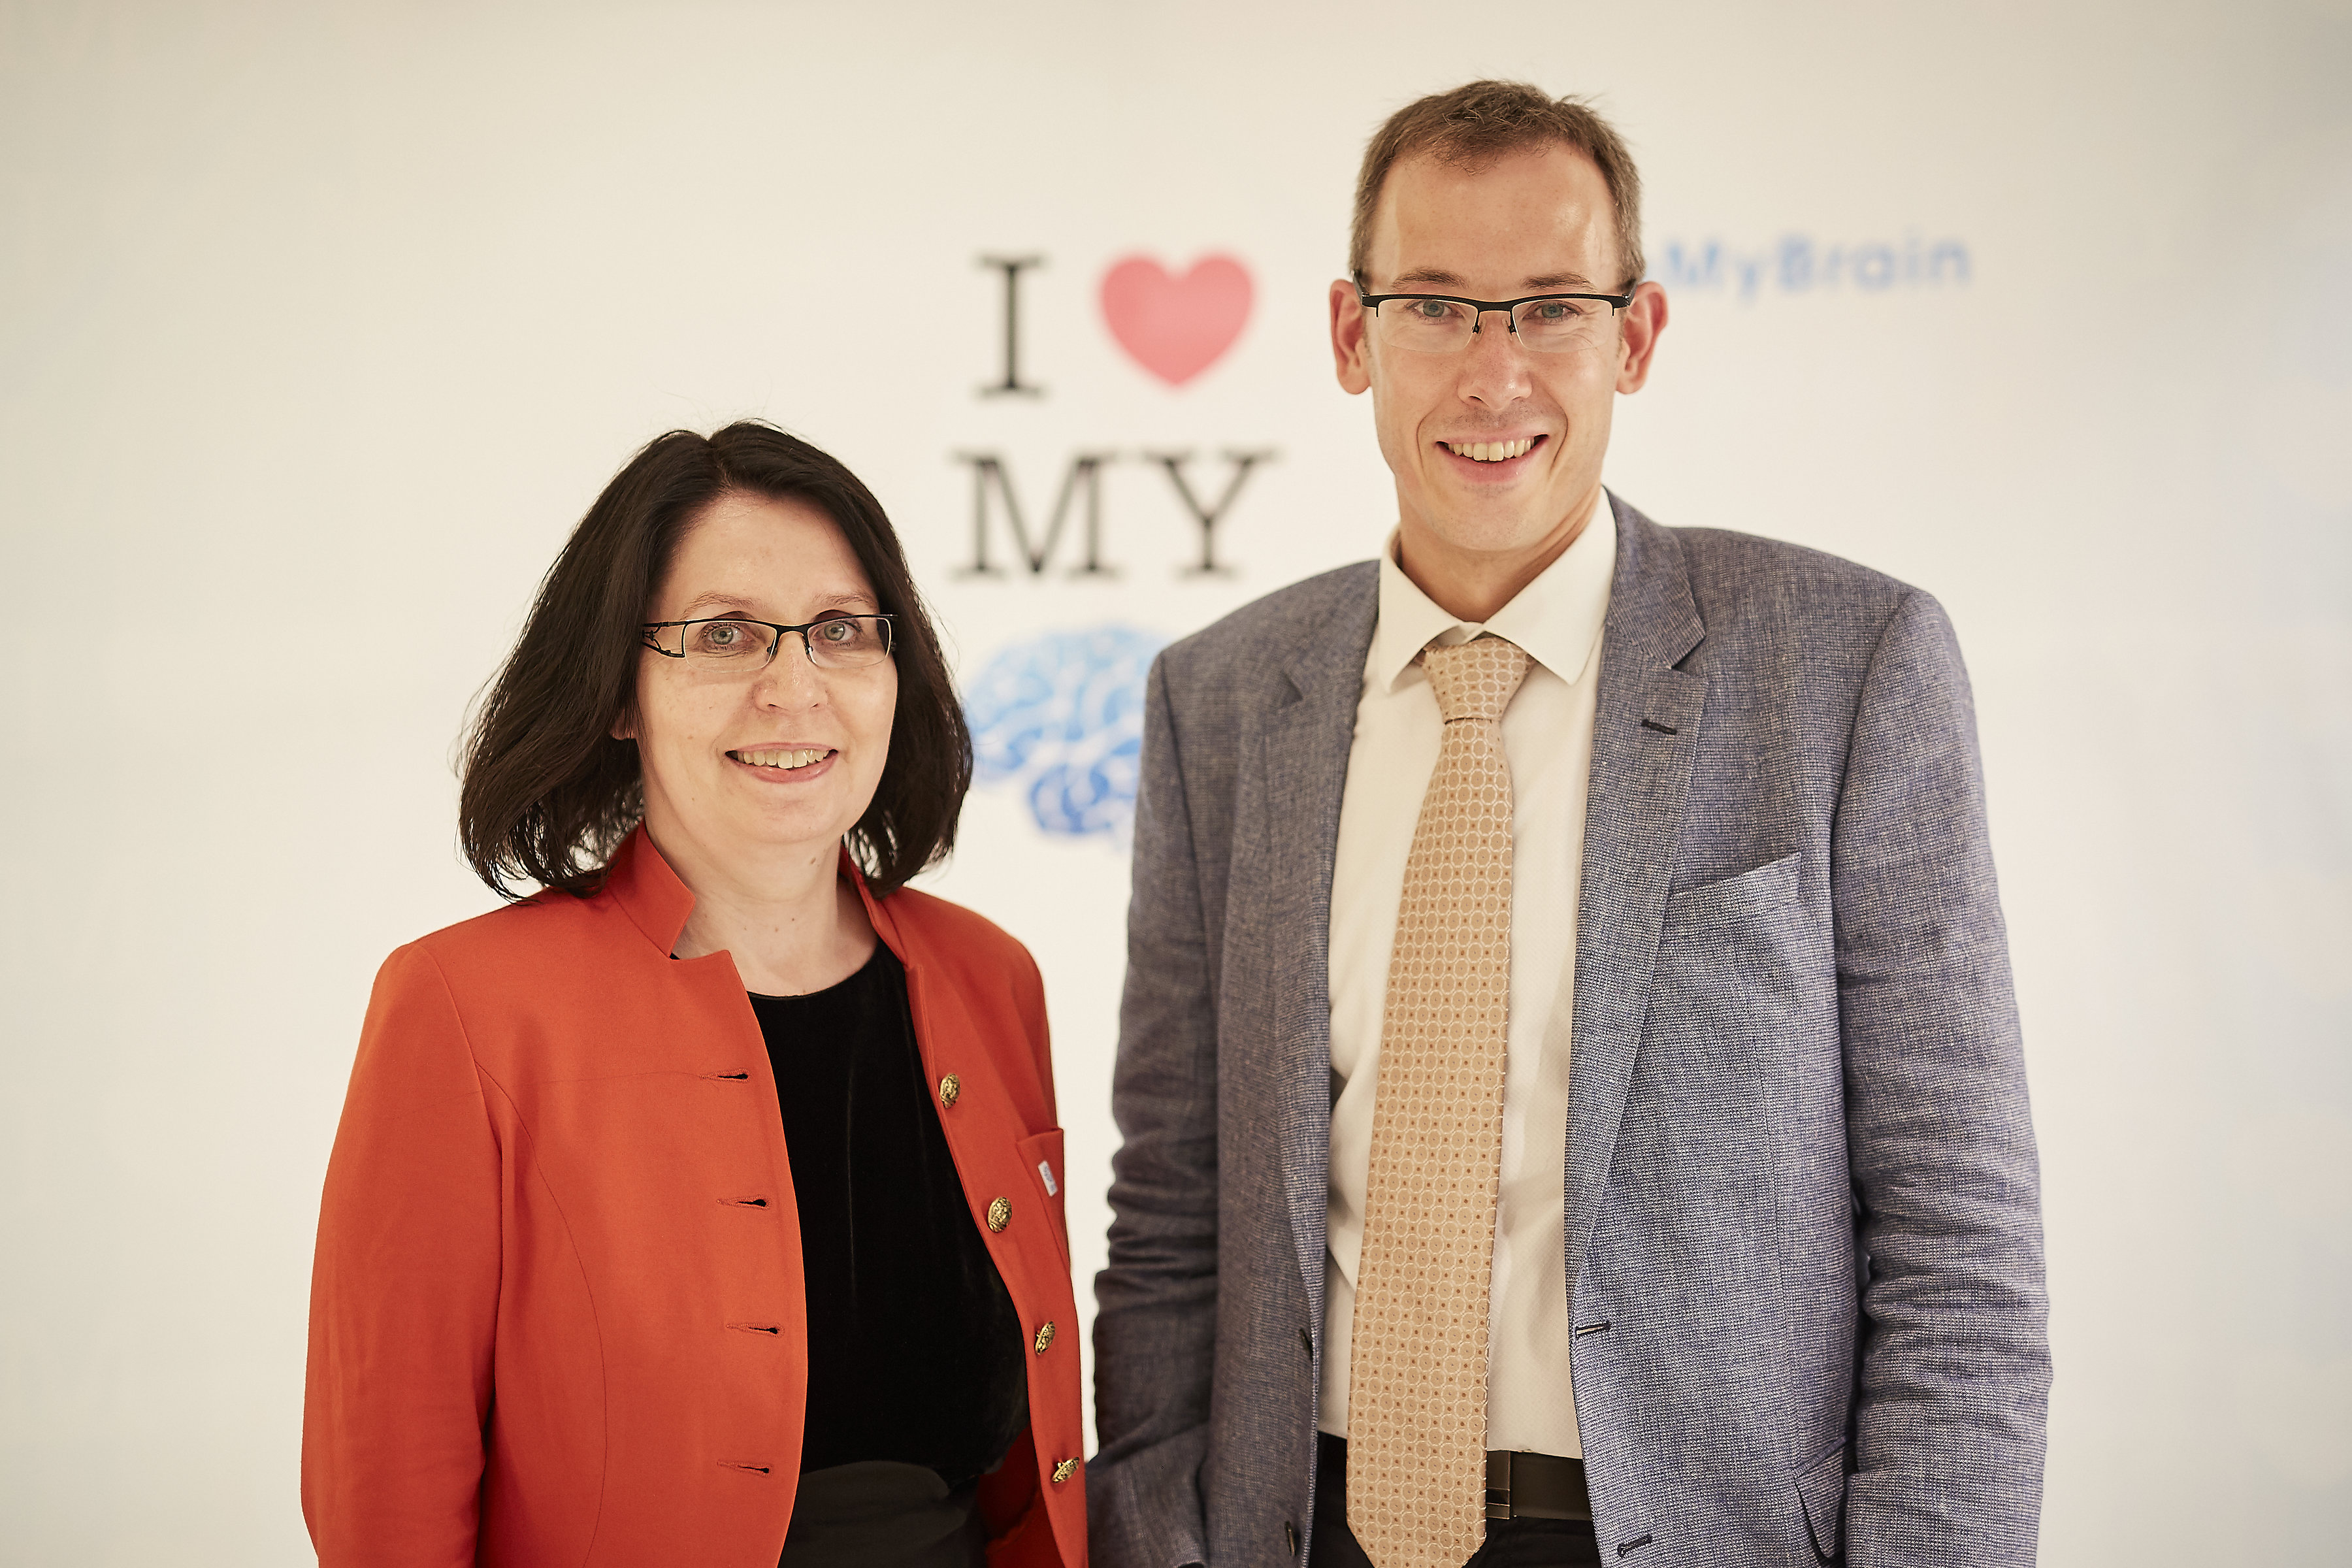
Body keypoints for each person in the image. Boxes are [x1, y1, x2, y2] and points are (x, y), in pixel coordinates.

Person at [1090, 81, 2049, 1568]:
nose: (1495, 376)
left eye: (1551, 309)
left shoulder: (1846, 667)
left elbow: (1957, 1234)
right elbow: (1170, 1204)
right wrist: (1160, 1535)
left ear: (1635, 337)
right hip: (1304, 1527)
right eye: (1435, 307)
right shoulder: (1218, 701)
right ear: (1351, 335)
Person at [303, 422, 1085, 1568]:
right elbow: (387, 1499)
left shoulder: (990, 977)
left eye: (839, 630)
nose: (794, 689)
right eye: (724, 635)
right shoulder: (465, 1009)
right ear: (619, 691)